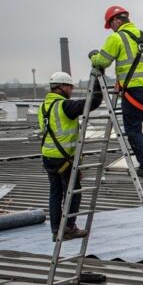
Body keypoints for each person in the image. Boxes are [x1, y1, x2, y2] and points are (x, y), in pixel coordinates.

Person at [89, 5, 143, 178]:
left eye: (110, 24)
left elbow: (102, 61)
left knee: (134, 130)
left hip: (134, 92)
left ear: (116, 20)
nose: (111, 28)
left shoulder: (117, 38)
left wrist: (93, 55)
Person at [39, 71, 103, 242]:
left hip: (48, 156)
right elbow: (93, 103)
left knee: (55, 193)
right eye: (70, 87)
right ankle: (68, 228)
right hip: (62, 158)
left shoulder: (43, 106)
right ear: (63, 87)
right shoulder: (64, 106)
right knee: (74, 193)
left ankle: (56, 229)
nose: (72, 91)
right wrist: (98, 81)